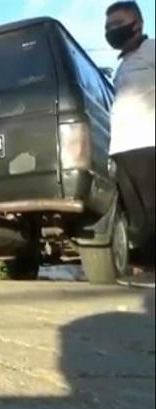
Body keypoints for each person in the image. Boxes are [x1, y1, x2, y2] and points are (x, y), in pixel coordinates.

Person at [105, 1, 155, 273]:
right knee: (139, 223)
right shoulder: (122, 64)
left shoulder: (152, 50)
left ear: (138, 24)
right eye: (109, 26)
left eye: (119, 24)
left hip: (148, 144)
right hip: (123, 149)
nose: (113, 30)